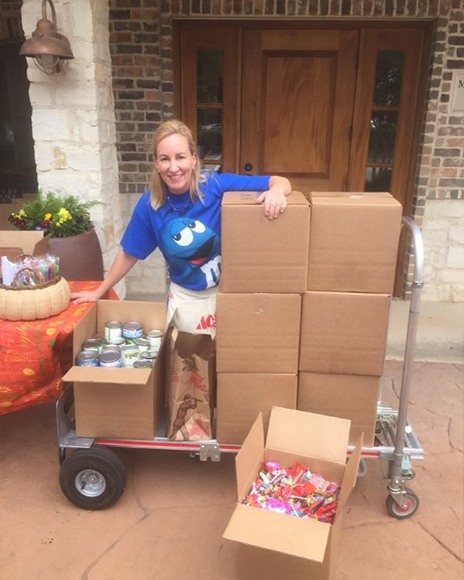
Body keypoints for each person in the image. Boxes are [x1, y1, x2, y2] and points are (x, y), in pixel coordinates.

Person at [71, 119, 291, 332]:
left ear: (193, 160)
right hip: (187, 299)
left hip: (229, 294)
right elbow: (130, 253)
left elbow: (279, 181)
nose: (174, 167)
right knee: (192, 364)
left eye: (181, 157)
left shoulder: (215, 186)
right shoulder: (150, 206)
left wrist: (277, 192)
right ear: (156, 164)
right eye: (165, 159)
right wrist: (101, 289)